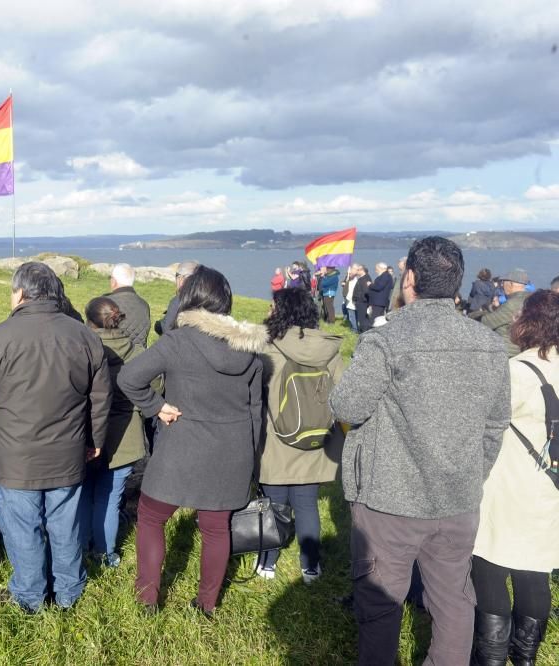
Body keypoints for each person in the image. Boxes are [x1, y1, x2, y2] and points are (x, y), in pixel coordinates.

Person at [330, 236, 510, 666]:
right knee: (453, 602)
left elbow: (348, 406)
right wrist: (471, 472)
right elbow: (495, 423)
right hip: (458, 498)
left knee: (381, 604)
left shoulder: (387, 339)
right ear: (457, 284)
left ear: (408, 278)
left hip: (389, 500)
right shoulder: (489, 344)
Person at [0, 262, 110, 613]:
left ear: (20, 294)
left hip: (14, 459)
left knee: (22, 528)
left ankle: (29, 596)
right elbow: (100, 398)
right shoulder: (86, 337)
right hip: (67, 452)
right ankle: (68, 592)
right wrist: (95, 439)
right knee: (65, 526)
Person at [119, 266, 266, 616]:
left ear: (189, 299)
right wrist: (252, 463)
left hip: (180, 449)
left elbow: (128, 377)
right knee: (216, 529)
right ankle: (207, 605)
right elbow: (256, 413)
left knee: (152, 518)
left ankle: (148, 601)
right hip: (232, 452)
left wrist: (157, 407)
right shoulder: (250, 350)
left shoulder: (176, 341)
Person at [470, 290, 559, 665]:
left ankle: (490, 658)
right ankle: (525, 658)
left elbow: (482, 426)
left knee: (489, 565)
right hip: (549, 487)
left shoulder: (517, 371)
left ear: (528, 322)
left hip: (506, 484)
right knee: (534, 571)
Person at [256, 287, 344, 583]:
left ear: (280, 311)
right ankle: (311, 567)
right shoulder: (327, 347)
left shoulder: (267, 346)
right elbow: (342, 393)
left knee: (274, 504)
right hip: (316, 440)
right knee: (306, 504)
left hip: (275, 440)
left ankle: (267, 562)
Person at [79, 297, 152, 568]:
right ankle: (104, 554)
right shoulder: (138, 353)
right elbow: (155, 388)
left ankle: (83, 545)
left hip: (86, 431)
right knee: (110, 498)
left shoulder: (82, 350)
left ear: (89, 321)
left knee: (85, 493)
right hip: (126, 434)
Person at [482, 270, 530, 357]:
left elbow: (486, 322)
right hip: (524, 350)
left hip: (508, 352)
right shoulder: (531, 299)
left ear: (511, 284)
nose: (501, 286)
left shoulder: (512, 303)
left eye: (503, 283)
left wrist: (489, 309)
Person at [104, 263, 151, 348]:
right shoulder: (144, 305)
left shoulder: (105, 303)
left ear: (114, 281)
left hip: (112, 358)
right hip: (139, 358)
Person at [154, 260, 198, 335]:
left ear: (180, 278)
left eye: (177, 276)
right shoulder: (207, 298)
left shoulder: (178, 300)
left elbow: (167, 330)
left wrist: (157, 325)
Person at [351, 263, 372, 332]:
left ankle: (364, 332)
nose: (357, 271)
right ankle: (364, 331)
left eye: (358, 270)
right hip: (360, 301)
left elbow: (366, 291)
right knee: (362, 318)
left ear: (362, 270)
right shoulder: (362, 278)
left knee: (362, 319)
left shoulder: (366, 278)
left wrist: (359, 299)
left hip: (362, 302)